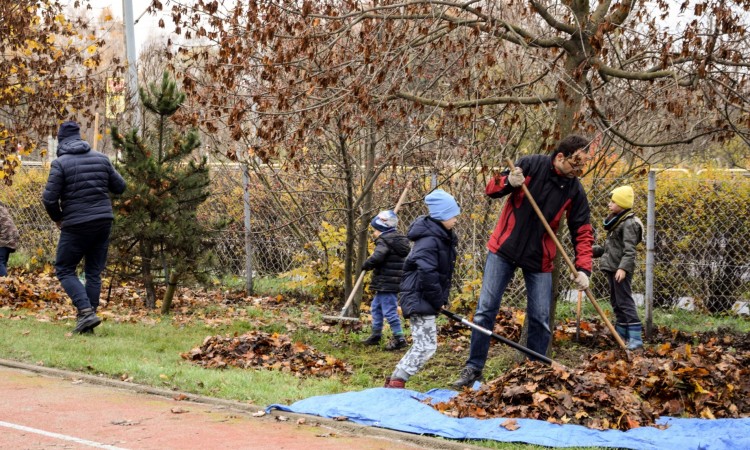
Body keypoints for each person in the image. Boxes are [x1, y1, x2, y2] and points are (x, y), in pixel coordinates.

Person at [452, 135, 595, 389]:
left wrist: (584, 268)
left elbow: (582, 230)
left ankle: (536, 373)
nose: (579, 170)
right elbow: (491, 188)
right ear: (561, 156)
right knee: (486, 309)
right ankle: (474, 368)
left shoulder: (574, 189)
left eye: (583, 165)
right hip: (503, 250)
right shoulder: (530, 164)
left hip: (539, 259)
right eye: (576, 163)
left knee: (540, 317)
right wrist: (509, 181)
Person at [42, 121, 126, 334]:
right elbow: (120, 187)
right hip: (103, 221)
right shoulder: (101, 158)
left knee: (64, 268)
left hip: (76, 224)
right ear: (79, 137)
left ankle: (86, 312)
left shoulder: (60, 163)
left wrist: (58, 219)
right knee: (93, 273)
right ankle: (87, 321)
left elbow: (49, 199)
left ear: (62, 140)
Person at [384, 189, 460, 389]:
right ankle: (397, 381)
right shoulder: (429, 241)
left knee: (425, 345)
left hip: (425, 298)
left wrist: (439, 299)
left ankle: (396, 379)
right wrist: (438, 301)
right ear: (442, 216)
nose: (456, 219)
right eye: (453, 215)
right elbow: (428, 275)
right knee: (425, 346)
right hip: (420, 298)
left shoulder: (441, 237)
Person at [593, 185, 644, 350]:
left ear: (622, 203)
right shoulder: (617, 221)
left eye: (613, 201)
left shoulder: (629, 224)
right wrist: (593, 250)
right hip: (613, 268)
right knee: (616, 301)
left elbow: (630, 251)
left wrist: (623, 268)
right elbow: (612, 249)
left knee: (625, 301)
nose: (609, 204)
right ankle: (621, 334)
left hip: (620, 271)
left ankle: (636, 339)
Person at [360, 210, 411, 350]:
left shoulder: (384, 241)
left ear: (382, 229)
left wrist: (367, 264)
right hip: (388, 281)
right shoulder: (394, 240)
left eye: (375, 230)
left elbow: (378, 256)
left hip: (387, 282)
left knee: (389, 310)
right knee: (376, 307)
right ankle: (376, 335)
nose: (374, 234)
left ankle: (399, 337)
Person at [0, 201, 20, 276]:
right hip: (11, 236)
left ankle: (5, 284)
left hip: (5, 237)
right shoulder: (2, 207)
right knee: (2, 261)